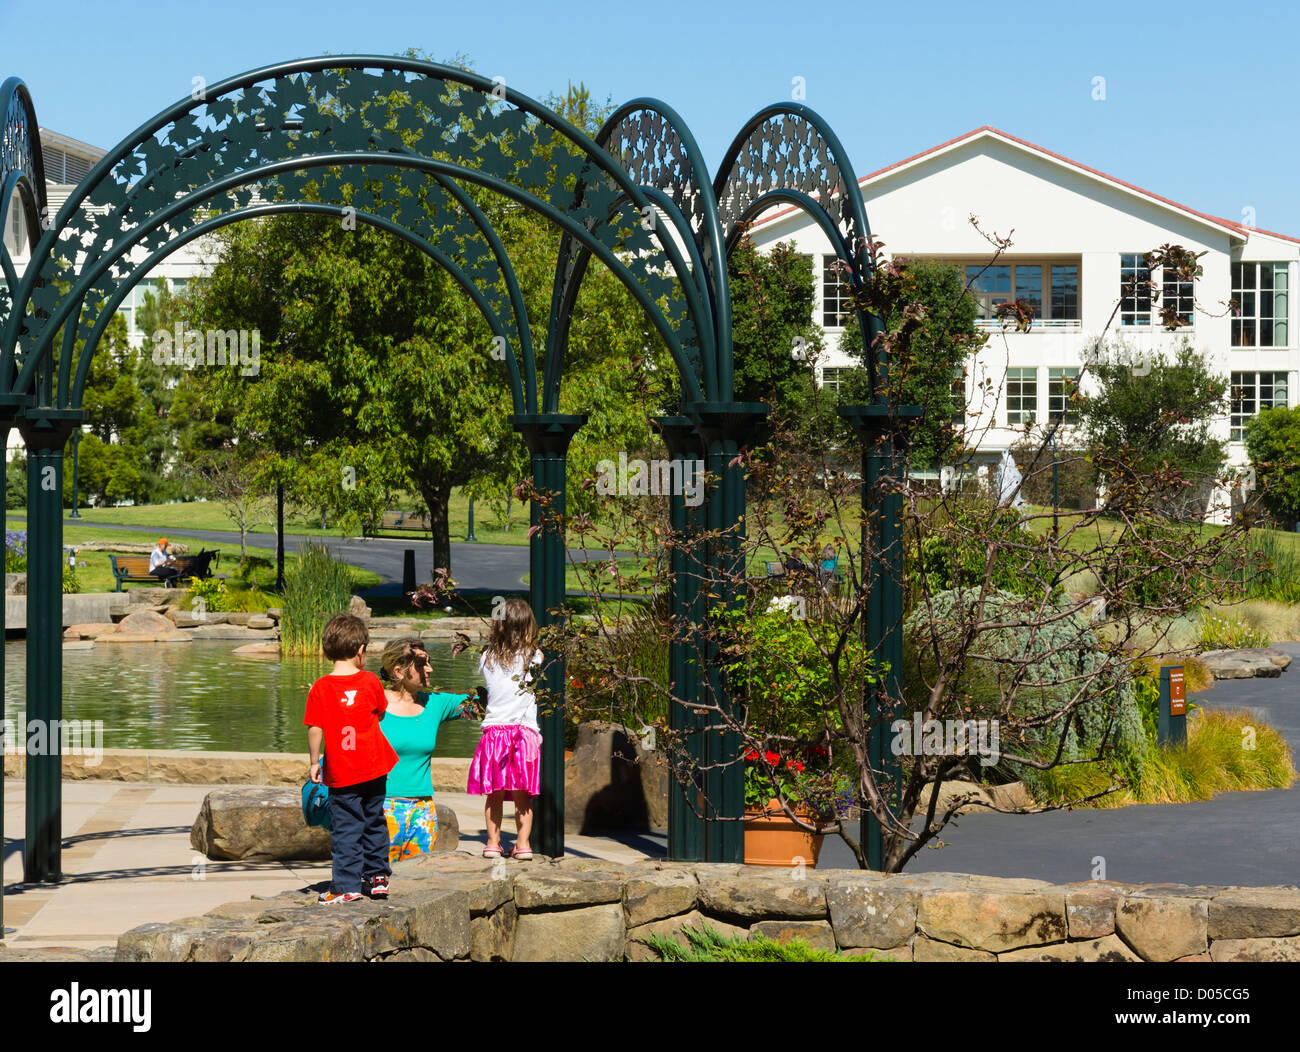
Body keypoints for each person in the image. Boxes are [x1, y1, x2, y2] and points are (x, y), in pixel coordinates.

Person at [304, 614, 398, 904]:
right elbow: (380, 713)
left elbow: (315, 728)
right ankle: (377, 877)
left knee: (346, 827)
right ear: (360, 651)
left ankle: (346, 885)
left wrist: (314, 761)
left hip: (343, 771)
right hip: (374, 766)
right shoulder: (371, 682)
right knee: (374, 820)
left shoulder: (320, 687)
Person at [378, 638, 479, 862]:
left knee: (415, 884)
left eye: (429, 662)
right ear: (399, 671)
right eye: (421, 664)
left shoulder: (434, 703)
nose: (430, 668)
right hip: (380, 809)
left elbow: (487, 701)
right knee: (378, 882)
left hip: (422, 812)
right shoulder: (374, 703)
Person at [467, 598, 542, 861]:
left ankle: (492, 843)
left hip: (495, 733)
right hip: (524, 734)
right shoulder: (535, 657)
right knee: (523, 796)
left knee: (494, 793)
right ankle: (523, 845)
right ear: (528, 626)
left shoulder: (487, 657)